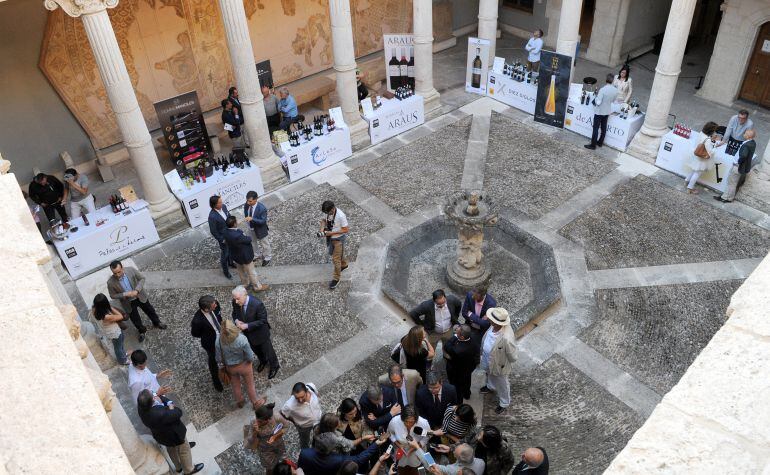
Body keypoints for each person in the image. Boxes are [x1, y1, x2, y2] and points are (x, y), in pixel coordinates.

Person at [137, 389, 204, 474]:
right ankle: (189, 470)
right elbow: (177, 412)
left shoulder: (141, 407)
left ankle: (178, 467)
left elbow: (156, 400)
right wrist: (170, 404)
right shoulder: (160, 414)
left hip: (162, 436)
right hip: (175, 434)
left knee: (171, 450)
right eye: (153, 394)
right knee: (184, 449)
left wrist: (159, 396)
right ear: (153, 399)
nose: (155, 394)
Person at [107, 260, 166, 342]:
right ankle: (142, 330)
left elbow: (142, 278)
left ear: (122, 267)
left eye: (119, 272)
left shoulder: (130, 270)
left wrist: (137, 290)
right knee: (135, 319)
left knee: (150, 310)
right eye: (114, 273)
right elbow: (112, 295)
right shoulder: (110, 282)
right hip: (127, 302)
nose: (117, 275)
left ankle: (157, 322)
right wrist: (125, 294)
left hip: (140, 296)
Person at [216, 319, 266, 410]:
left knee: (235, 385)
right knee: (250, 385)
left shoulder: (218, 341)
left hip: (230, 367)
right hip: (244, 365)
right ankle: (255, 403)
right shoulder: (241, 338)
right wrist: (250, 361)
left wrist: (222, 366)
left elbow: (218, 358)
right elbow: (250, 355)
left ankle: (240, 402)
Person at [232, 285, 280, 378]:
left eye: (238, 299)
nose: (236, 301)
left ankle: (274, 365)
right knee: (256, 350)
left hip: (261, 333)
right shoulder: (235, 301)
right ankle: (263, 361)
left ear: (245, 294)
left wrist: (247, 325)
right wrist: (236, 321)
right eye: (235, 299)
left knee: (268, 351)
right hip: (248, 334)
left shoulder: (257, 304)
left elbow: (263, 320)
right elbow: (234, 313)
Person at [479, 308, 517, 414]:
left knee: (502, 383)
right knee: (489, 372)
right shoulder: (492, 326)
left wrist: (504, 363)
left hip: (499, 363)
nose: (488, 319)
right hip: (487, 357)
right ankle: (490, 386)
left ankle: (504, 402)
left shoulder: (506, 338)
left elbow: (512, 355)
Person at [298, 431, 385, 475]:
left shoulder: (304, 453)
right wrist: (376, 444)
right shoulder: (338, 459)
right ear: (331, 449)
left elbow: (301, 468)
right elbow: (359, 459)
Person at [224, 216, 269, 292]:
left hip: (236, 256)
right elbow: (248, 239)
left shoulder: (226, 232)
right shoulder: (237, 235)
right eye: (236, 221)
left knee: (241, 271)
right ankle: (257, 287)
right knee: (251, 272)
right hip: (245, 256)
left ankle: (245, 284)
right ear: (234, 224)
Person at [190, 295, 224, 392]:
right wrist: (208, 335)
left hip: (222, 334)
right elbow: (195, 333)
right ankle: (215, 380)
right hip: (210, 343)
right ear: (206, 308)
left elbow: (219, 316)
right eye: (214, 305)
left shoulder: (216, 304)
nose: (216, 305)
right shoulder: (197, 321)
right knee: (213, 361)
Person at [244, 402, 288, 475]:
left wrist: (275, 437)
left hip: (278, 443)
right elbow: (250, 441)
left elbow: (286, 426)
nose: (257, 422)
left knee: (283, 460)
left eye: (260, 421)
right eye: (257, 419)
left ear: (268, 420)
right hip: (264, 449)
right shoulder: (253, 422)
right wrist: (255, 432)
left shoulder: (276, 417)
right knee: (269, 468)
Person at [716, 129, 756, 203]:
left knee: (731, 182)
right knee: (733, 182)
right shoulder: (752, 143)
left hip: (737, 166)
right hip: (740, 166)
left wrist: (738, 162)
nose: (743, 134)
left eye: (745, 133)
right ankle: (728, 197)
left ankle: (726, 197)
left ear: (747, 136)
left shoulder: (747, 145)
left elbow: (743, 156)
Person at [386, 404, 431, 470]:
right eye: (406, 421)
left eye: (411, 422)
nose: (408, 424)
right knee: (401, 468)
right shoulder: (394, 421)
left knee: (416, 468)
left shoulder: (423, 423)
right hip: (400, 451)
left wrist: (416, 446)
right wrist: (399, 445)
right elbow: (390, 433)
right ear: (402, 418)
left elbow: (427, 436)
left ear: (416, 419)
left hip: (417, 452)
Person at [443, 324, 480, 401]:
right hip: (469, 366)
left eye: (457, 333)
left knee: (456, 385)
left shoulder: (458, 350)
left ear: (462, 337)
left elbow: (447, 346)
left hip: (457, 369)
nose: (455, 333)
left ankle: (458, 399)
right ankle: (467, 394)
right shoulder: (473, 338)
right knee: (467, 380)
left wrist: (454, 337)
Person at [281, 382, 323, 449]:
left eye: (302, 397)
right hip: (304, 427)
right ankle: (305, 450)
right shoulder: (289, 405)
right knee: (304, 441)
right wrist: (294, 421)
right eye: (297, 398)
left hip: (318, 420)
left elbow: (317, 394)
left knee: (318, 435)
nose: (300, 400)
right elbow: (283, 412)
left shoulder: (311, 387)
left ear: (306, 391)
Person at [91, 293, 129, 365]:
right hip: (114, 332)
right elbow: (120, 316)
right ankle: (123, 360)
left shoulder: (94, 309)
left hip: (108, 330)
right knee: (118, 347)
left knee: (119, 345)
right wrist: (110, 307)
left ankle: (123, 354)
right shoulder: (106, 317)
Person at [320, 200, 349, 290]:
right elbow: (324, 222)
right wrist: (322, 228)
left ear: (333, 208)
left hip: (338, 239)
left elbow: (345, 230)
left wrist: (331, 233)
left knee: (335, 259)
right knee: (335, 254)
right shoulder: (328, 213)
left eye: (328, 212)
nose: (327, 214)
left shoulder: (341, 215)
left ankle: (336, 279)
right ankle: (344, 265)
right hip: (330, 238)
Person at [584, 74, 618, 150]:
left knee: (595, 128)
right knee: (603, 128)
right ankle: (600, 142)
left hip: (599, 111)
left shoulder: (603, 89)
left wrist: (596, 98)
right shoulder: (615, 90)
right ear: (613, 81)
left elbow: (598, 102)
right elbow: (613, 101)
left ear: (606, 80)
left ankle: (593, 145)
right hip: (607, 111)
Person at [685, 122, 719, 194]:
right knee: (697, 173)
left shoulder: (701, 133)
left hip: (697, 156)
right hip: (702, 159)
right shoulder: (708, 139)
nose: (715, 132)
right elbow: (710, 152)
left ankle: (687, 181)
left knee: (694, 170)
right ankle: (689, 188)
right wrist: (715, 146)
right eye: (714, 130)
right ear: (711, 130)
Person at [209, 194, 235, 280]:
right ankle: (226, 271)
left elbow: (228, 216)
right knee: (225, 254)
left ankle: (231, 263)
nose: (222, 203)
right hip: (224, 238)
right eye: (220, 202)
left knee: (231, 250)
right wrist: (222, 239)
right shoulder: (212, 216)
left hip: (230, 233)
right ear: (215, 205)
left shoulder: (223, 207)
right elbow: (213, 231)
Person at [244, 190, 272, 266]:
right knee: (253, 242)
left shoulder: (262, 208)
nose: (248, 203)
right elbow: (246, 213)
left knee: (265, 244)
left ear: (256, 199)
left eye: (250, 201)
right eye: (247, 200)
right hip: (251, 228)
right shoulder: (247, 205)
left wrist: (252, 219)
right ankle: (256, 255)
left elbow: (263, 221)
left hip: (260, 229)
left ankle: (267, 257)